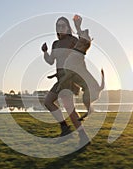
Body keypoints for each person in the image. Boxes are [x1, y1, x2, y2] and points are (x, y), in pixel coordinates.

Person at [41, 16, 89, 145]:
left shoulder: (72, 40)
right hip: (60, 79)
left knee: (69, 108)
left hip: (69, 78)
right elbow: (51, 61)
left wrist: (78, 27)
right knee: (48, 102)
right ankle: (66, 129)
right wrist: (45, 52)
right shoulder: (55, 44)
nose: (60, 28)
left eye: (63, 26)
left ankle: (82, 136)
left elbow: (83, 42)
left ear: (68, 27)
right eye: (58, 26)